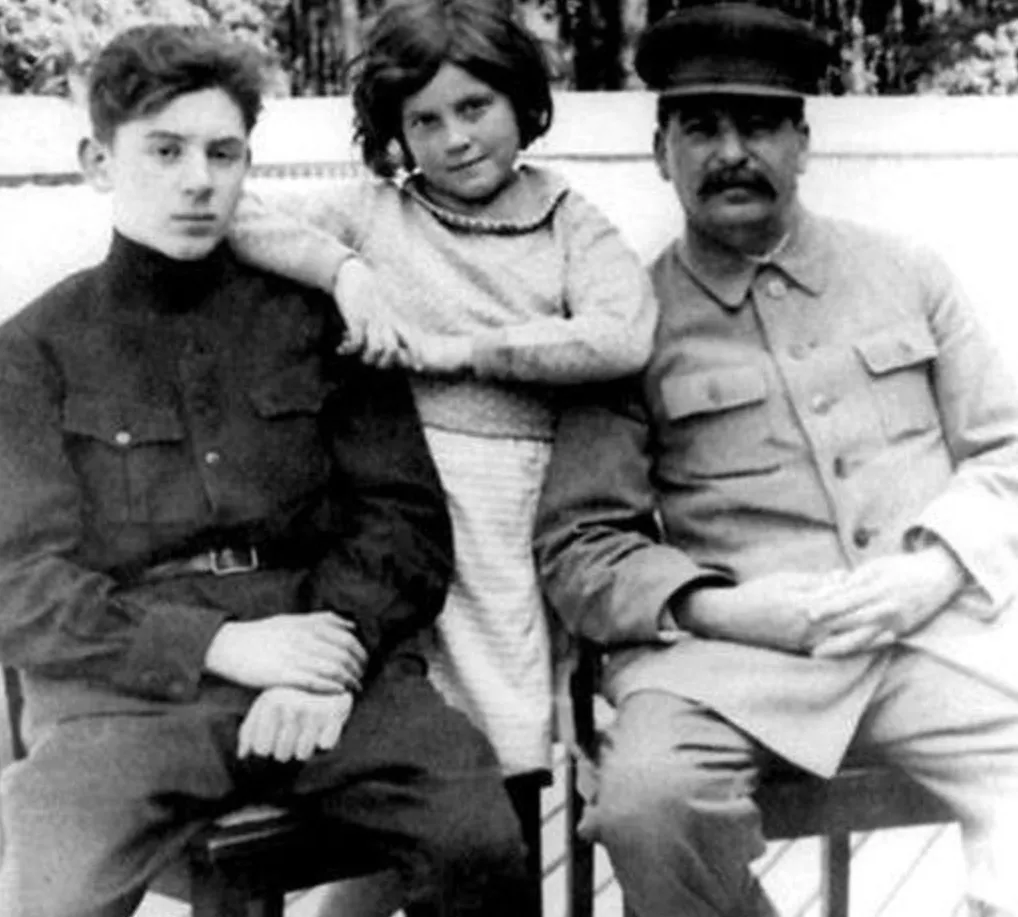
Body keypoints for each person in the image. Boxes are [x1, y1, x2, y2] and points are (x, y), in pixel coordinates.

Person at [0, 23, 532, 917]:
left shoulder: (321, 323)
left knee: (479, 837)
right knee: (51, 890)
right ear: (99, 163)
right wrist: (218, 646)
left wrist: (331, 655)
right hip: (126, 699)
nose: (198, 180)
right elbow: (18, 582)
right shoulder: (31, 353)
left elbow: (404, 523)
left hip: (325, 664)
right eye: (164, 151)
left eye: (223, 152)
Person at [533, 4, 1018, 916]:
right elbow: (582, 546)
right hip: (728, 661)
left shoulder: (907, 272)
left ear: (803, 143)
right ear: (660, 151)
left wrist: (935, 569)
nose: (731, 153)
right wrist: (716, 605)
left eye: (758, 124)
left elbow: (1007, 451)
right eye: (701, 128)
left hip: (927, 636)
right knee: (648, 807)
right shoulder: (625, 322)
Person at [227, 0, 658, 782]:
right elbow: (237, 216)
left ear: (521, 103)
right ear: (397, 132)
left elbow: (620, 332)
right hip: (389, 499)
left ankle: (506, 836)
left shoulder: (567, 221)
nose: (455, 138)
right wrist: (343, 270)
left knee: (504, 724)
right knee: (397, 714)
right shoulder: (374, 212)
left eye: (474, 107)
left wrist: (465, 351)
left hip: (507, 501)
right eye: (425, 121)